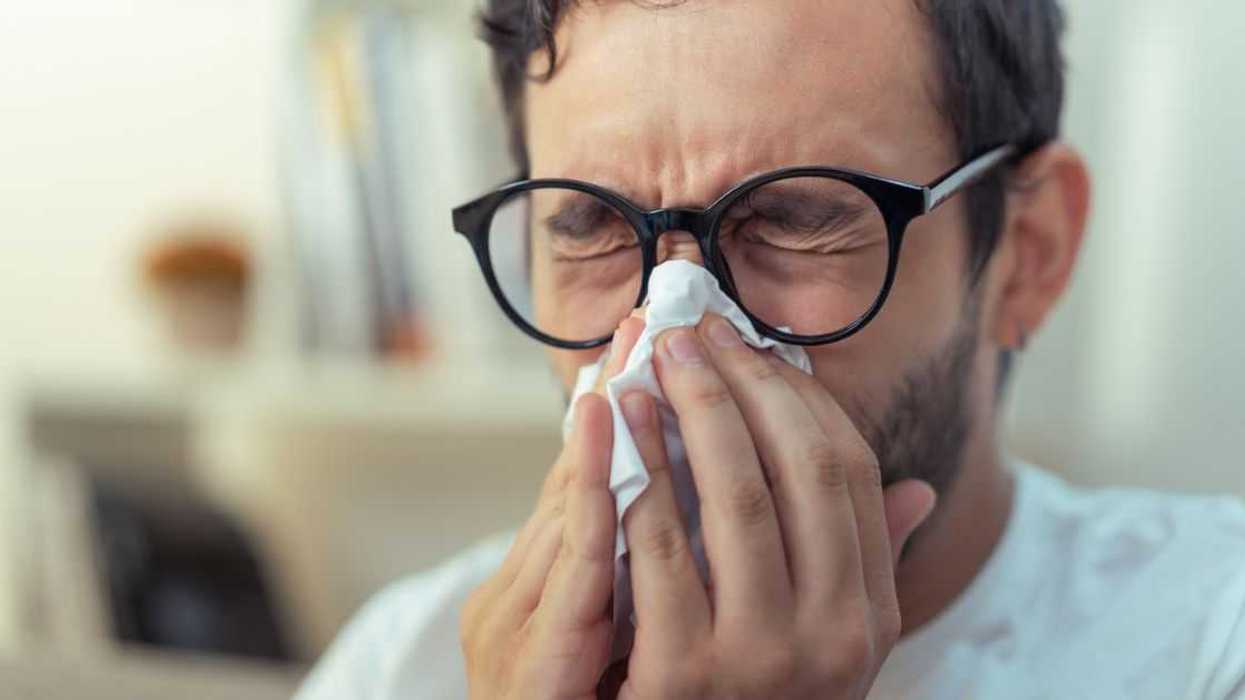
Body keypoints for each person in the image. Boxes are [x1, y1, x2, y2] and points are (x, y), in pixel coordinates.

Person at [296, 1, 1245, 697]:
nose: (671, 332)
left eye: (795, 220)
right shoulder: (402, 664)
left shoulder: (1211, 639)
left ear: (1027, 256)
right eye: (591, 227)